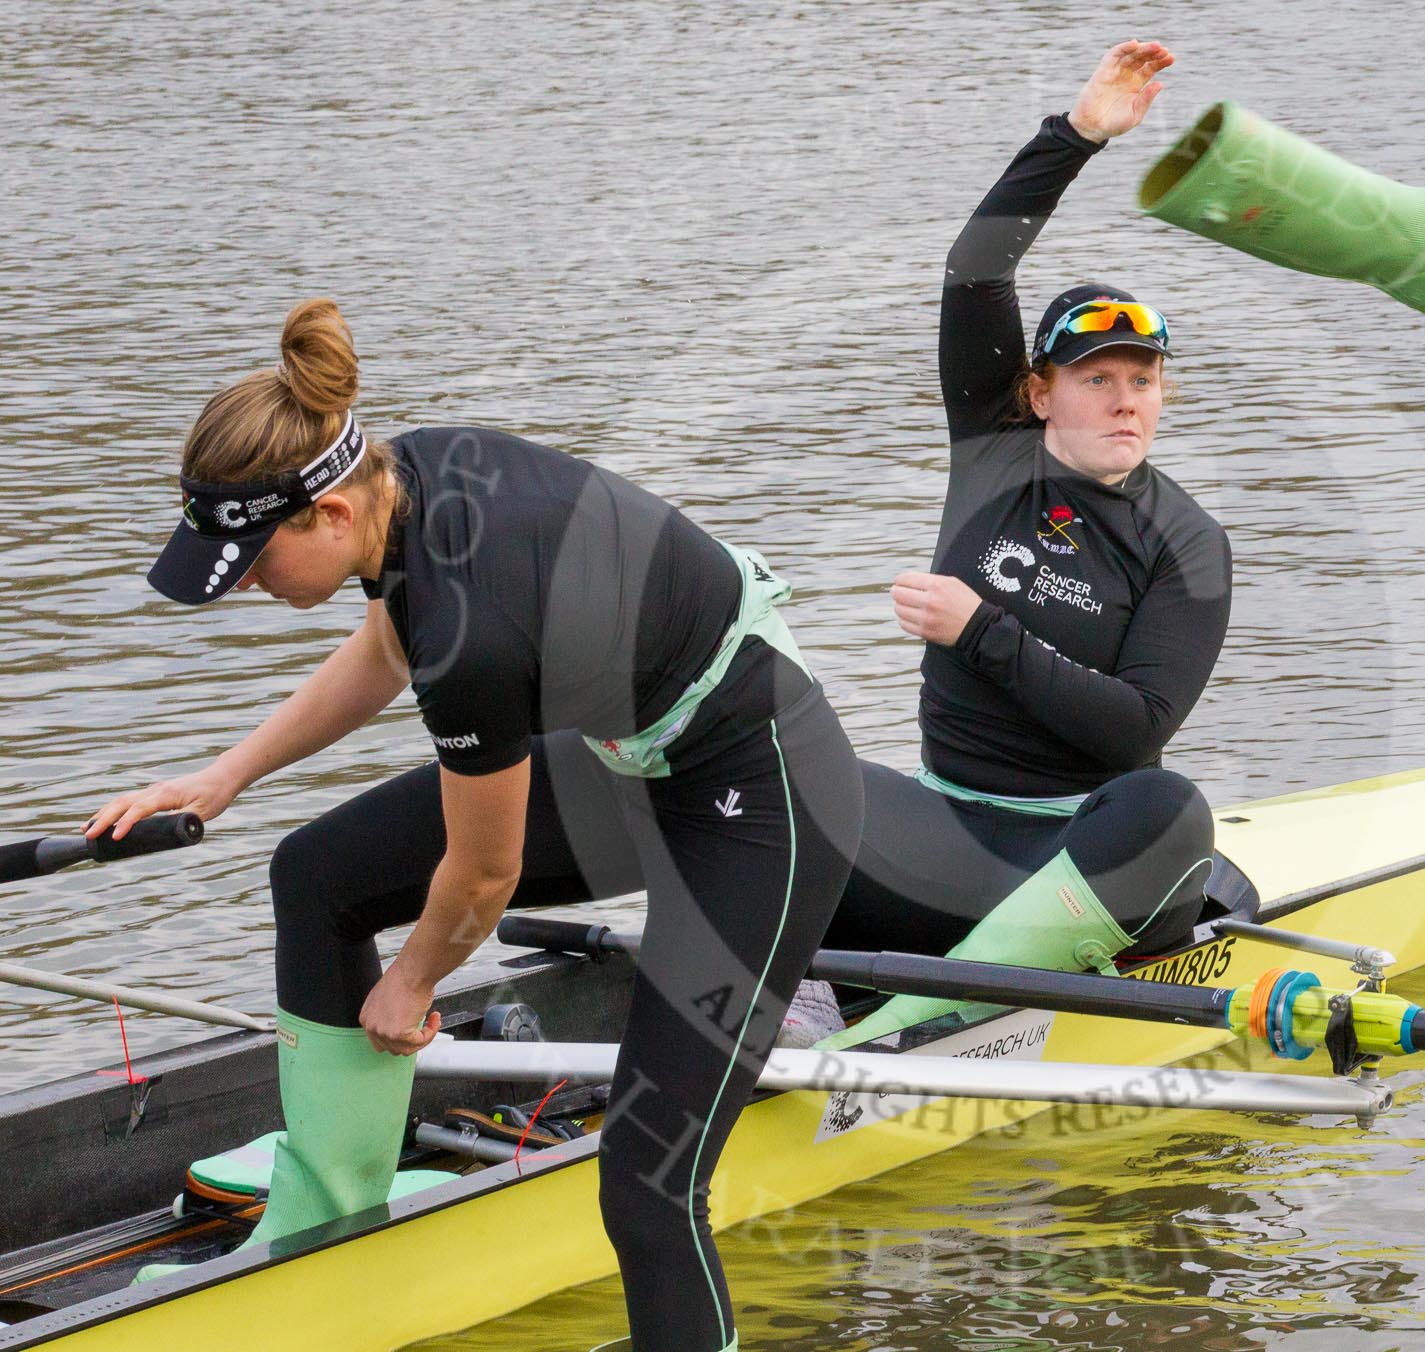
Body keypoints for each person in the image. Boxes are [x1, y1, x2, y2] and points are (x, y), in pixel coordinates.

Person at [87, 299, 861, 1352]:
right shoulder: (404, 479)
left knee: (647, 1174)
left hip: (766, 790)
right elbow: (381, 649)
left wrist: (408, 982)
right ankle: (329, 1220)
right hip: (636, 753)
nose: (250, 588)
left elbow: (484, 873)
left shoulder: (469, 628)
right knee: (316, 873)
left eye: (255, 563)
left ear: (329, 517)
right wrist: (222, 776)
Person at [819, 41, 1232, 1044]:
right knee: (781, 761)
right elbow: (975, 267)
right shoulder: (995, 454)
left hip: (1082, 859)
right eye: (1098, 377)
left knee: (1169, 805)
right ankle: (798, 1000)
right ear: (1041, 393)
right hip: (950, 840)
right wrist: (1079, 133)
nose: (1126, 399)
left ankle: (904, 1026)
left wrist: (978, 629)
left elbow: (1134, 731)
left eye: (1143, 379)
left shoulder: (1188, 542)